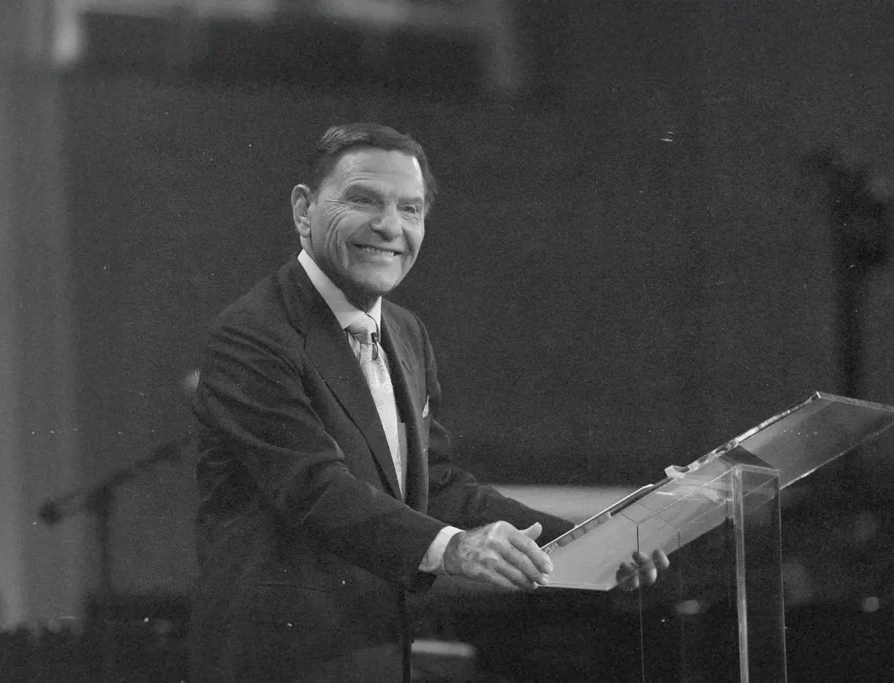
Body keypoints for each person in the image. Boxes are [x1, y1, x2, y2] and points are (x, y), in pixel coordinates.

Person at [189, 123, 667, 683]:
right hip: (278, 663)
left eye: (410, 209)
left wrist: (593, 546)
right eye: (364, 201)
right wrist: (456, 550)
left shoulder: (406, 333)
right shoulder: (253, 333)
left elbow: (434, 486)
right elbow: (315, 490)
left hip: (378, 656)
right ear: (303, 210)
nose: (390, 226)